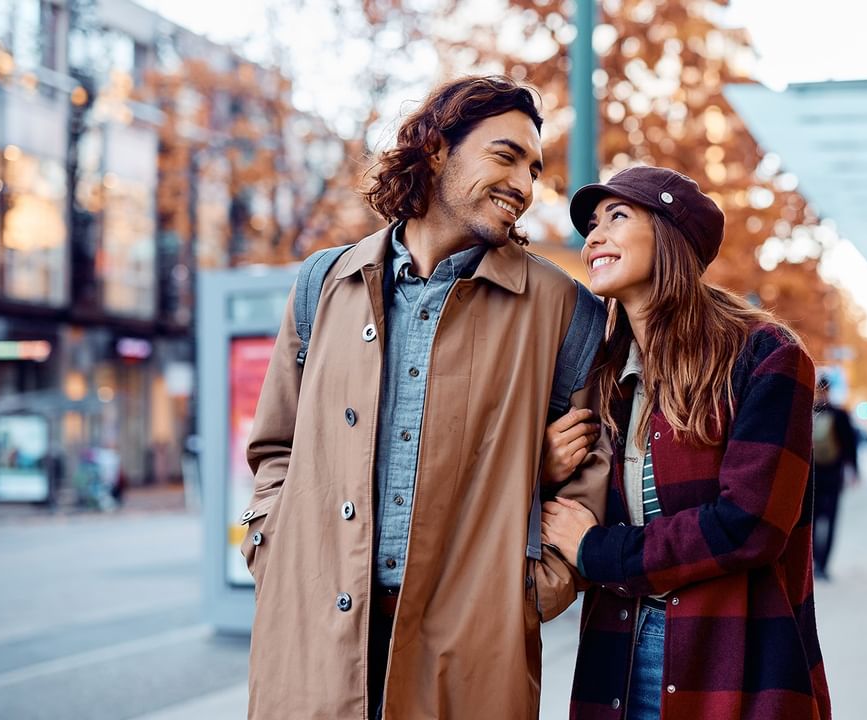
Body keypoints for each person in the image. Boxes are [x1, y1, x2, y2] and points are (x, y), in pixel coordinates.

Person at [240, 75, 611, 720]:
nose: (524, 186)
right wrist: (269, 546)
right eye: (505, 156)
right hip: (313, 643)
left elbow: (585, 480)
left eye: (534, 167)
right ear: (437, 149)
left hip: (471, 650)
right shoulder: (325, 284)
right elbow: (276, 446)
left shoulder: (565, 309)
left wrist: (526, 594)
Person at [538, 166, 831, 720]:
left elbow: (750, 527)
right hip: (616, 654)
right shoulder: (600, 376)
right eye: (592, 224)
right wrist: (547, 468)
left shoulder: (766, 357)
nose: (593, 236)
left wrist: (600, 551)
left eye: (617, 216)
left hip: (729, 659)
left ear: (671, 235)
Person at [811, 376, 859, 580]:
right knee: (830, 519)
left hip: (811, 475)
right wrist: (854, 470)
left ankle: (812, 561)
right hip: (833, 473)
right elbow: (850, 444)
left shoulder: (807, 410)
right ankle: (823, 565)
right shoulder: (839, 413)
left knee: (810, 520)